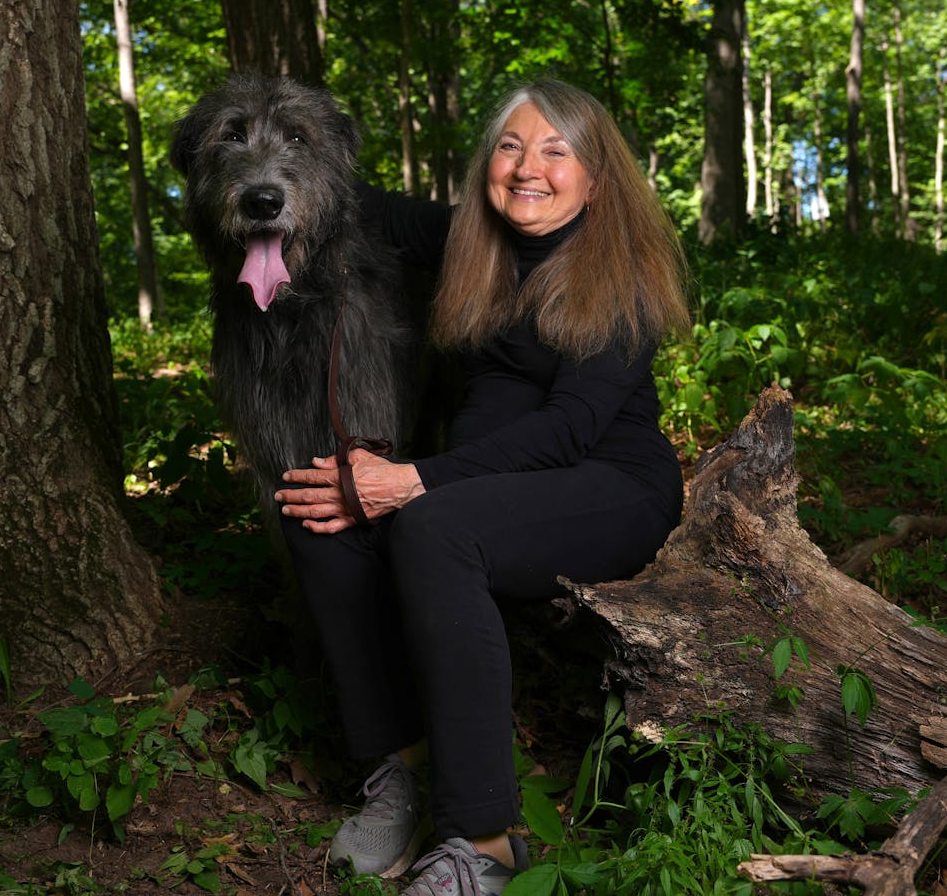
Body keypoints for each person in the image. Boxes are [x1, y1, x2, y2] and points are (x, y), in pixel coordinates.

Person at [273, 79, 691, 895]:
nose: (527, 167)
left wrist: (412, 481)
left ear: (597, 177)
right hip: (484, 488)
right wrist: (282, 139)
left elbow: (569, 427)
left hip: (610, 486)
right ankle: (401, 761)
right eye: (510, 145)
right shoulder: (471, 242)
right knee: (314, 505)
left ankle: (484, 839)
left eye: (554, 150)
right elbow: (358, 201)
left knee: (432, 525)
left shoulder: (625, 272)